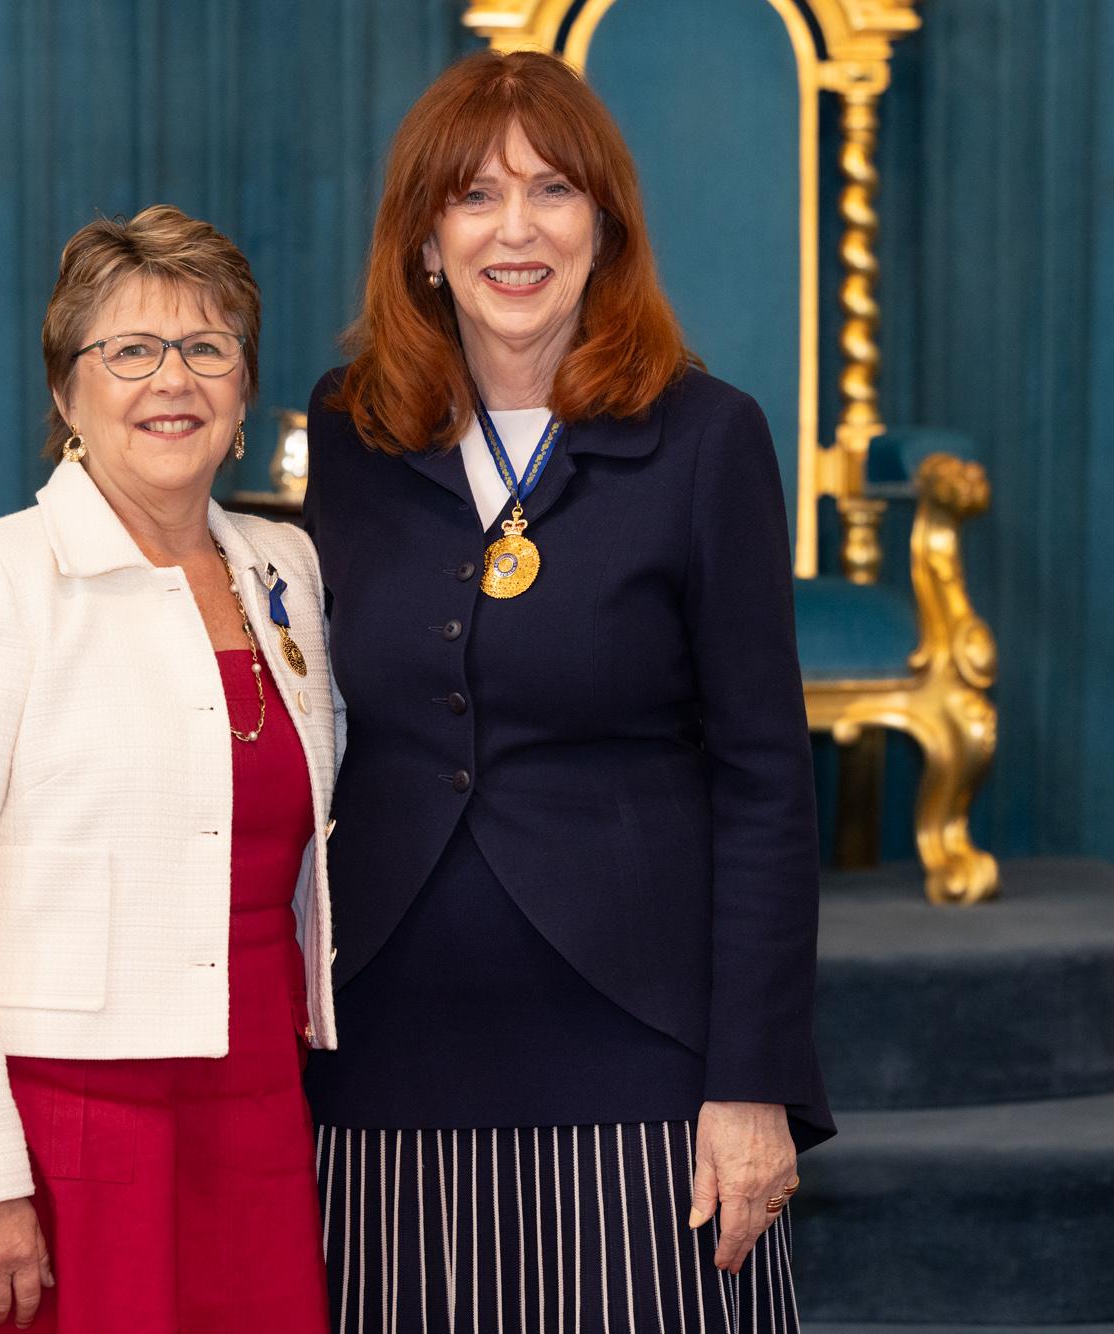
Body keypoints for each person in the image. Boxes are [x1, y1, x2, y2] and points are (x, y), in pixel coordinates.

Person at [300, 50, 832, 1333]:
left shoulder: (707, 437)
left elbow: (766, 780)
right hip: (386, 1042)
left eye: (551, 192)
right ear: (425, 242)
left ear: (604, 228)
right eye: (474, 197)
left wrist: (751, 1082)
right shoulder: (350, 428)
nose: (515, 229)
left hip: (641, 1047)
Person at [0, 205, 339, 1333]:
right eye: (129, 351)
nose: (173, 378)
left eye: (208, 348)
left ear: (245, 394)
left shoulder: (285, 566)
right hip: (51, 1120)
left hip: (252, 1098)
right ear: (66, 393)